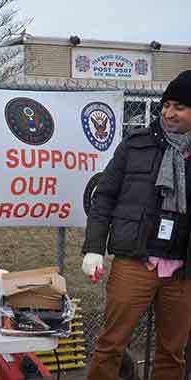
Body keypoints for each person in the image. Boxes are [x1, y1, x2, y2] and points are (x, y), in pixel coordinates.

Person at [82, 69, 191, 380]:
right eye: (166, 104)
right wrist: (93, 249)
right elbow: (104, 197)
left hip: (183, 270)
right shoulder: (136, 144)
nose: (169, 113)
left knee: (172, 352)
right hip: (135, 261)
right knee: (110, 345)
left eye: (179, 107)